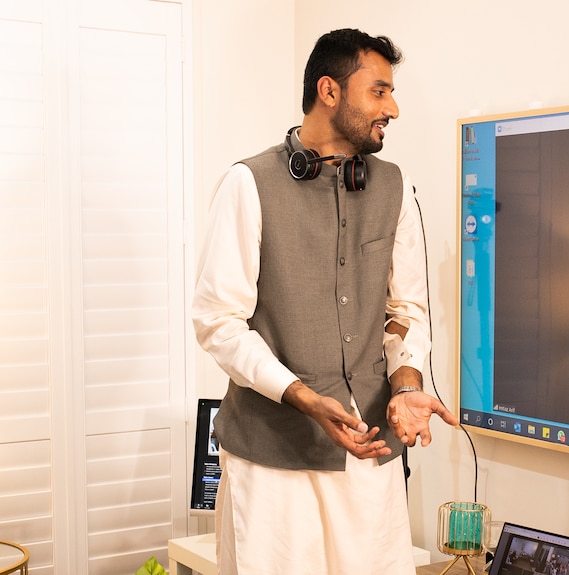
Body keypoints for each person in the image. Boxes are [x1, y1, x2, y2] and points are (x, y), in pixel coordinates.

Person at [192, 28, 459, 575]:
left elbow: (405, 312)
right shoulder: (248, 184)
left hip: (371, 458)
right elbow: (219, 323)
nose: (394, 108)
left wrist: (407, 385)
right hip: (271, 465)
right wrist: (303, 398)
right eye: (379, 92)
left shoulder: (396, 189)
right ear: (330, 91)